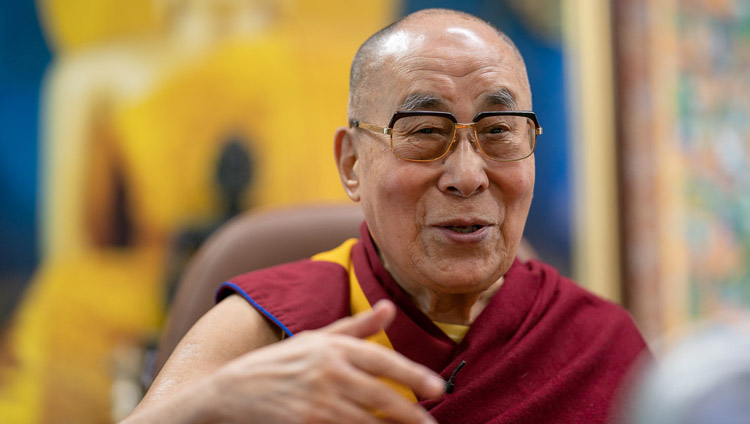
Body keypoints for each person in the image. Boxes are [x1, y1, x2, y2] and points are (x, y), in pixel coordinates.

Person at [124, 8, 649, 423]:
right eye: (424, 131)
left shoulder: (597, 344)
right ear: (352, 163)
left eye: (497, 132)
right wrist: (221, 399)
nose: (468, 176)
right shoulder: (266, 329)